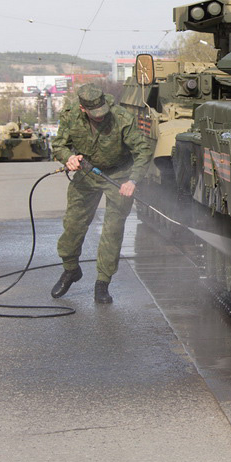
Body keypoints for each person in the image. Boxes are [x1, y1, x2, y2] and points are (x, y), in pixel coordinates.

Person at [49, 83, 152, 304]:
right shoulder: (70, 116)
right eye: (94, 115)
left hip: (119, 174)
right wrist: (68, 157)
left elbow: (142, 150)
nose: (100, 117)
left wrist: (132, 180)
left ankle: (102, 282)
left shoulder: (121, 117)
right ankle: (70, 269)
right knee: (73, 225)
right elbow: (59, 145)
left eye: (102, 113)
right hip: (87, 172)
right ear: (82, 108)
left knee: (112, 230)